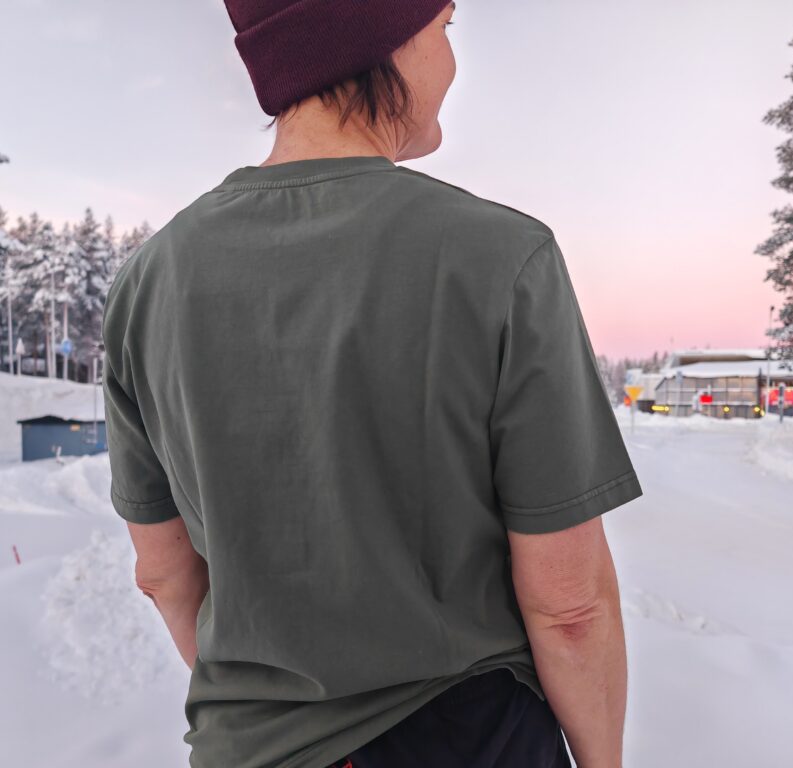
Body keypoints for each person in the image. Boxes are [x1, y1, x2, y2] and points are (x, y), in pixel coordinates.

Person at [101, 2, 644, 767]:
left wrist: (274, 716)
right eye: (445, 27)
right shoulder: (500, 258)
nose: (451, 59)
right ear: (381, 34)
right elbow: (571, 605)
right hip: (466, 740)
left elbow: (163, 574)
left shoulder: (147, 284)